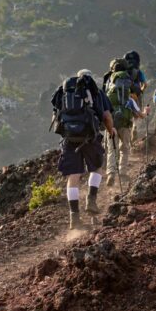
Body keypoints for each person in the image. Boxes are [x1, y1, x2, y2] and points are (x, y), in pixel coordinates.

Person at [51, 69, 115, 229]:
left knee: (73, 177)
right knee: (97, 169)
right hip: (90, 137)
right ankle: (91, 200)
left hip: (69, 139)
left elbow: (56, 115)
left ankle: (74, 218)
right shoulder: (96, 92)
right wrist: (111, 131)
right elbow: (106, 116)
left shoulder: (64, 92)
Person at [104, 60, 135, 187]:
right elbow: (136, 97)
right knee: (125, 148)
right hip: (125, 121)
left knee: (112, 149)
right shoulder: (128, 85)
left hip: (112, 122)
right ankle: (122, 171)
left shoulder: (109, 82)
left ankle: (111, 173)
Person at [123, 51, 147, 142]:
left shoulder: (123, 71)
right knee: (136, 114)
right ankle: (135, 127)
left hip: (126, 95)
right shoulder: (138, 71)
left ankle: (127, 131)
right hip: (136, 95)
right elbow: (145, 84)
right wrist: (141, 90)